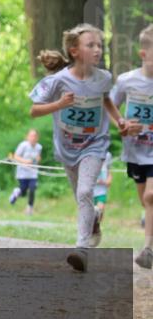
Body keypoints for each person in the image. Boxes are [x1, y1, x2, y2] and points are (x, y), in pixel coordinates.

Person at [29, 23, 126, 272]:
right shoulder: (57, 81)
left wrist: (120, 121)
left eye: (99, 45)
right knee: (81, 197)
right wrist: (59, 104)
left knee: (85, 192)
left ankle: (81, 249)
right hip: (67, 149)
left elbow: (106, 100)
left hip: (95, 144)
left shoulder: (104, 78)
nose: (97, 50)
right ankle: (93, 219)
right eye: (90, 45)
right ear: (74, 51)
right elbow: (34, 110)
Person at [109, 23, 153, 269]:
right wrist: (123, 124)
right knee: (145, 201)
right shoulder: (127, 81)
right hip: (135, 151)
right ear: (143, 54)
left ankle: (148, 250)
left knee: (151, 196)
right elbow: (110, 107)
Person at [9, 129, 43, 216]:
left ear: (37, 138)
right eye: (31, 136)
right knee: (23, 191)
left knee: (32, 188)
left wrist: (38, 159)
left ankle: (29, 208)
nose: (33, 138)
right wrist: (25, 161)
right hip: (22, 173)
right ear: (27, 137)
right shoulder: (23, 145)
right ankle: (16, 193)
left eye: (34, 136)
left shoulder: (39, 147)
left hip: (33, 173)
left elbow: (38, 158)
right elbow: (16, 156)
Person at [91, 150, 113, 246]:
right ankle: (90, 232)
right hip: (90, 190)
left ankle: (96, 228)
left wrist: (107, 181)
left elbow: (109, 171)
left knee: (100, 213)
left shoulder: (107, 155)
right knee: (90, 213)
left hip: (101, 190)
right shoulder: (89, 152)